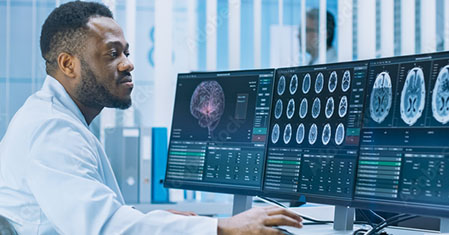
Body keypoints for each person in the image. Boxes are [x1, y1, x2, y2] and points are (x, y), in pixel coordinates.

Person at [0, 1, 303, 234]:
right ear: (68, 64)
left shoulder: (56, 118)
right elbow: (103, 227)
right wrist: (221, 227)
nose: (128, 64)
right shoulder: (52, 130)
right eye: (112, 54)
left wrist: (153, 221)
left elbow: (92, 213)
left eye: (127, 53)